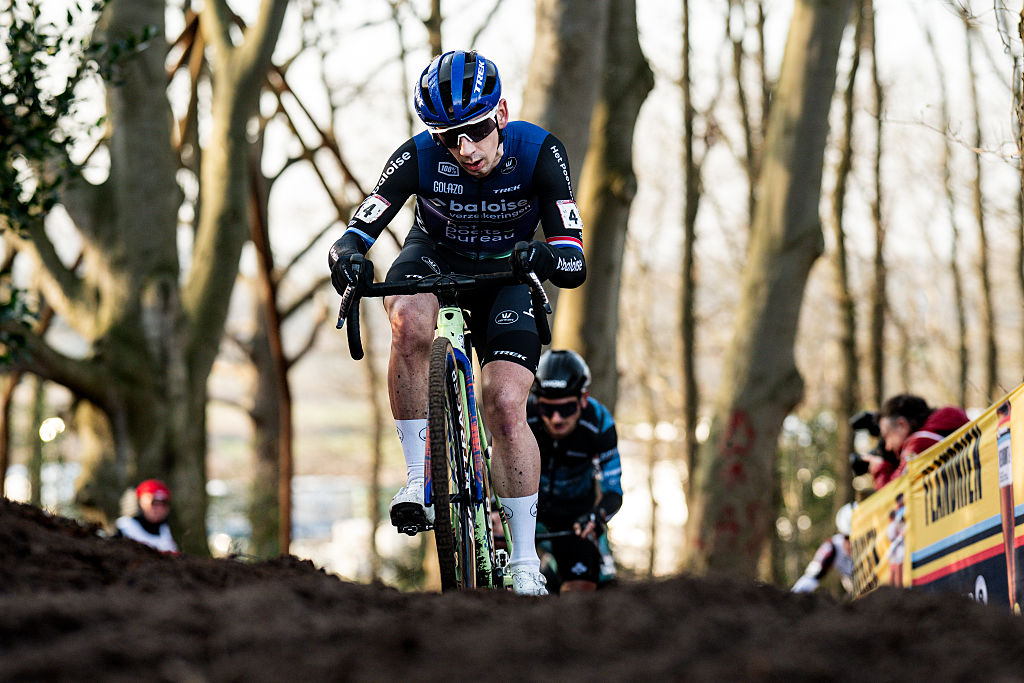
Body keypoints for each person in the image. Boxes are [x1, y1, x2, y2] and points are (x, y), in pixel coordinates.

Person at [328, 50, 587, 595]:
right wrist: (348, 252)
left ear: (501, 114)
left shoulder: (539, 152)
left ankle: (523, 560)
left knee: (504, 402)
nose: (464, 149)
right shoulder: (418, 156)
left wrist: (540, 256)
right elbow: (364, 223)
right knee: (407, 319)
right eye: (449, 137)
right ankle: (420, 481)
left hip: (509, 272)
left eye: (473, 131)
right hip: (435, 256)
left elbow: (573, 259)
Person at [527, 350, 622, 593]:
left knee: (583, 588)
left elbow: (614, 492)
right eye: (547, 410)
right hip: (525, 511)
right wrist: (495, 509)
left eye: (566, 408)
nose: (556, 419)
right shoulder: (522, 414)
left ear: (583, 398)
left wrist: (597, 517)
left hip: (575, 519)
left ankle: (556, 575)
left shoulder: (600, 422)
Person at [868, 393, 969, 487]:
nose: (887, 446)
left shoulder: (919, 444)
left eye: (887, 436)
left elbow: (897, 495)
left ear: (901, 425)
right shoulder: (942, 433)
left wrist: (880, 470)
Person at [791, 503, 854, 595]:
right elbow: (811, 577)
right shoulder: (832, 548)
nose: (852, 543)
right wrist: (792, 598)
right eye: (848, 538)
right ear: (841, 533)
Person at [114, 479, 178, 553]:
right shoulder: (125, 527)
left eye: (164, 503)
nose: (159, 508)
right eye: (154, 502)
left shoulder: (167, 531)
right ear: (140, 502)